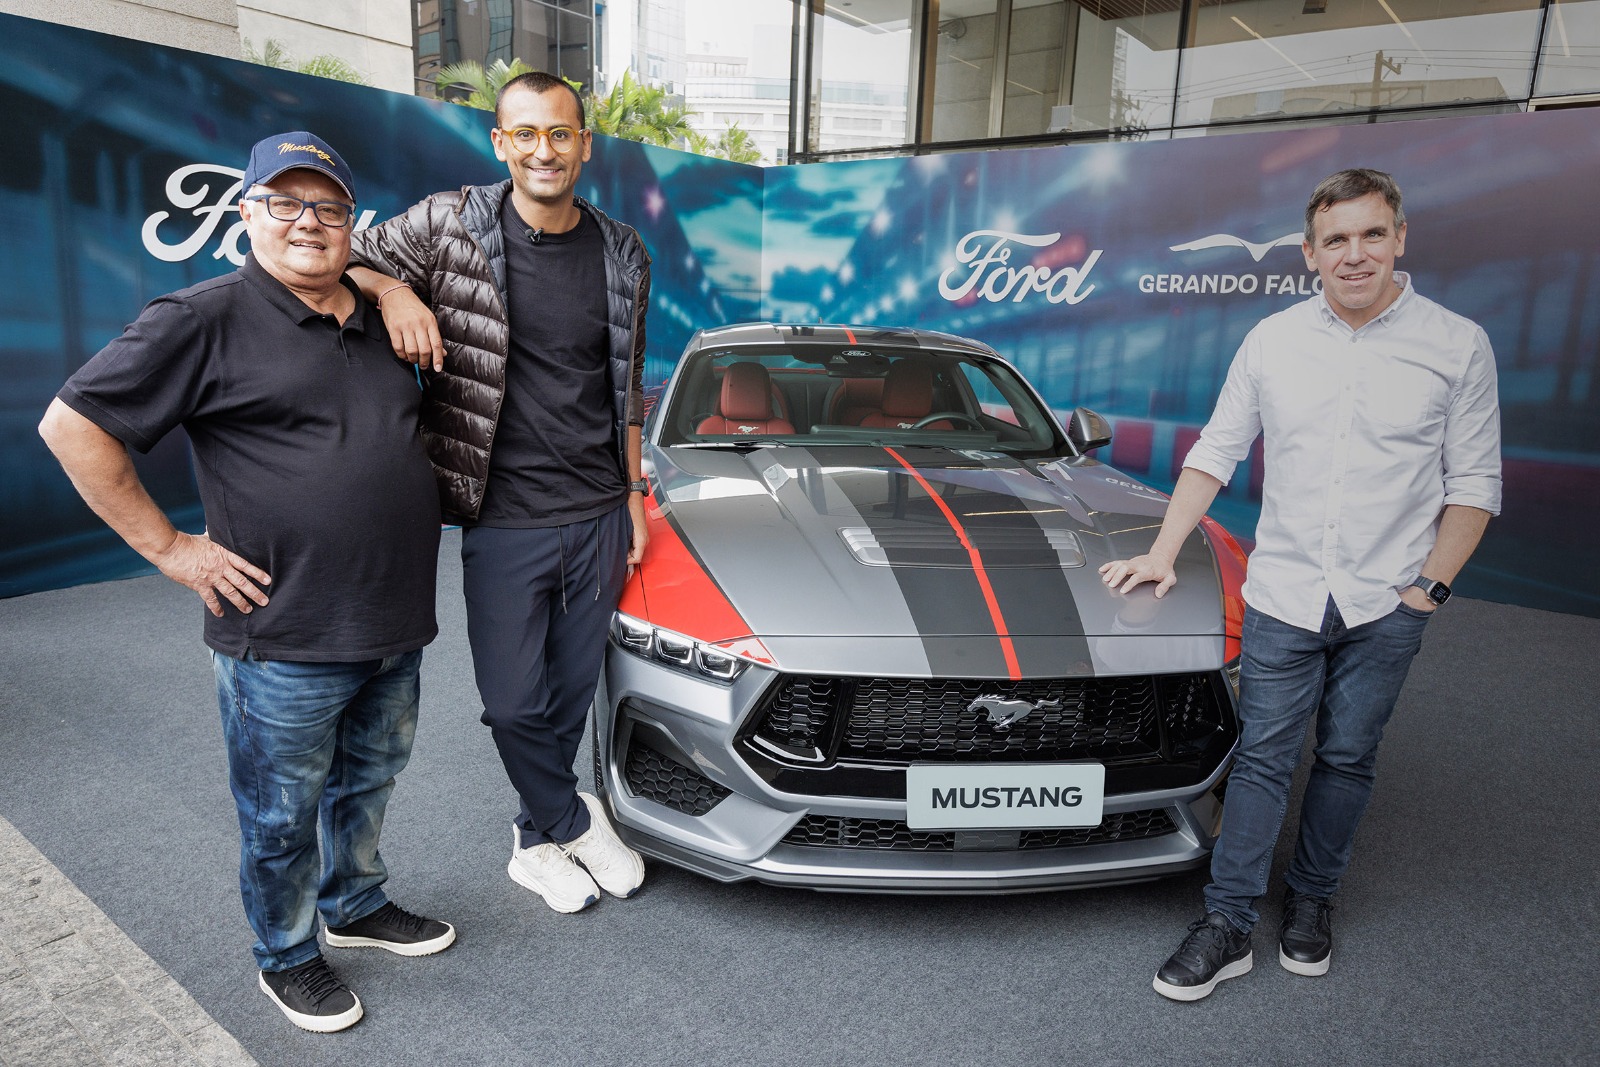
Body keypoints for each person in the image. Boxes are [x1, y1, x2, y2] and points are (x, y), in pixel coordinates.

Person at [38, 132, 455, 1033]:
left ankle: (356, 902)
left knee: (368, 782)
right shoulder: (200, 316)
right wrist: (171, 549)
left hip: (392, 621)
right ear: (247, 214)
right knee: (279, 812)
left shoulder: (382, 315)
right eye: (286, 203)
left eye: (329, 207)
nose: (310, 222)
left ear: (354, 223)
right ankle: (287, 952)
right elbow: (71, 427)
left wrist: (390, 285)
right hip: (282, 632)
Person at [1099, 168, 1501, 1001]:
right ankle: (1230, 921)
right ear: (1311, 254)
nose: (1356, 254)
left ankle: (1312, 902)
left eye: (1371, 234)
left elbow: (1474, 487)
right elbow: (1215, 452)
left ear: (1400, 238)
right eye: (1336, 240)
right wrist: (1165, 550)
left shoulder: (1458, 344)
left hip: (1388, 601)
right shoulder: (1273, 340)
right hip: (1283, 594)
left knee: (1349, 757)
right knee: (1263, 760)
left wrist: (1427, 592)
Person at [346, 71, 650, 914]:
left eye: (560, 133)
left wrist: (633, 491)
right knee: (515, 703)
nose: (543, 150)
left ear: (584, 144)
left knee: (567, 692)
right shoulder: (452, 223)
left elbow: (626, 386)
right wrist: (399, 289)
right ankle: (573, 819)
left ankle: (531, 839)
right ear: (500, 143)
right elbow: (354, 260)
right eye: (526, 133)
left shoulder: (624, 249)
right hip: (505, 515)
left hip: (595, 508)